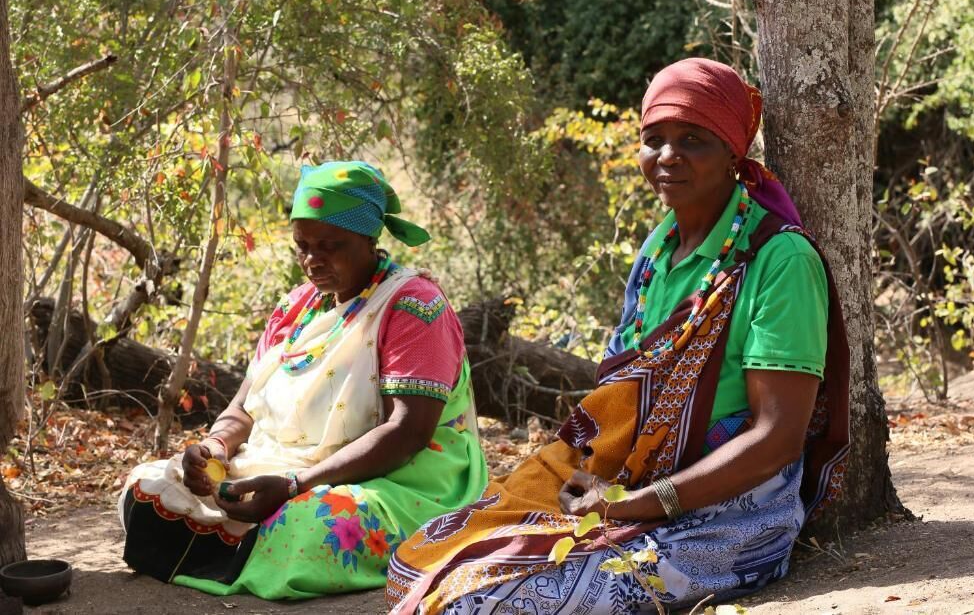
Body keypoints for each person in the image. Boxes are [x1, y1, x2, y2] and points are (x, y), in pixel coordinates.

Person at [385, 58, 850, 614]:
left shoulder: (780, 259)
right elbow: (623, 396)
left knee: (476, 602)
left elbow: (778, 438)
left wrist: (641, 503)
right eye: (654, 139)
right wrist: (608, 490)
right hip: (626, 485)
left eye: (693, 139)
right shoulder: (657, 252)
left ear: (733, 152)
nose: (668, 156)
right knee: (419, 559)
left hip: (728, 517)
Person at [119, 161, 487, 599]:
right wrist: (215, 448)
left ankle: (257, 542)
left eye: (330, 246)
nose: (312, 260)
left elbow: (408, 432)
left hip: (397, 480)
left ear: (369, 239)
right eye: (302, 246)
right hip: (280, 470)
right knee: (147, 488)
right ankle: (251, 540)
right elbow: (243, 409)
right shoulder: (296, 307)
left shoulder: (414, 306)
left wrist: (297, 485)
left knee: (315, 525)